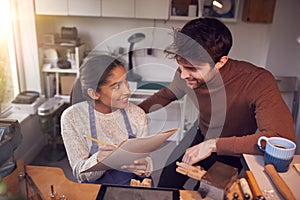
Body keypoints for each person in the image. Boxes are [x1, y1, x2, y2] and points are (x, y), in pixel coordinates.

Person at [138, 17, 296, 189]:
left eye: (192, 68)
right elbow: (168, 94)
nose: (183, 75)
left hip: (231, 149)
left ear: (220, 62)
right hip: (200, 134)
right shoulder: (185, 73)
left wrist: (214, 145)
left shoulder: (257, 81)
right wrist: (136, 112)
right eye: (180, 65)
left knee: (209, 192)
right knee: (167, 183)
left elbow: (281, 138)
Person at [61, 54, 152, 185]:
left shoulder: (137, 114)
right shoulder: (72, 118)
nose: (127, 91)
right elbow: (80, 173)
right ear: (94, 93)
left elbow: (147, 159)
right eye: (116, 86)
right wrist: (100, 161)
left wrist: (145, 166)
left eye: (125, 81)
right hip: (96, 190)